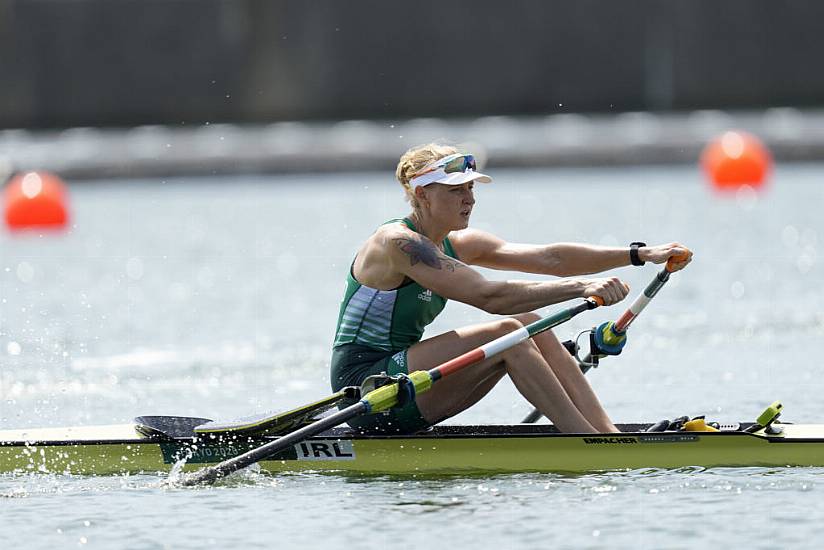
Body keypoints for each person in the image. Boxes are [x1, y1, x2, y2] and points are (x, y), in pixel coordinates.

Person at [330, 143, 692, 434]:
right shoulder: (397, 242)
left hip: (407, 384)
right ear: (423, 194)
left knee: (528, 321)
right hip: (366, 390)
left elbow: (551, 259)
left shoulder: (458, 243)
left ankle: (605, 434)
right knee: (510, 331)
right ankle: (586, 443)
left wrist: (640, 254)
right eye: (457, 189)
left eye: (470, 187)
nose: (469, 198)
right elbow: (491, 298)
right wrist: (582, 287)